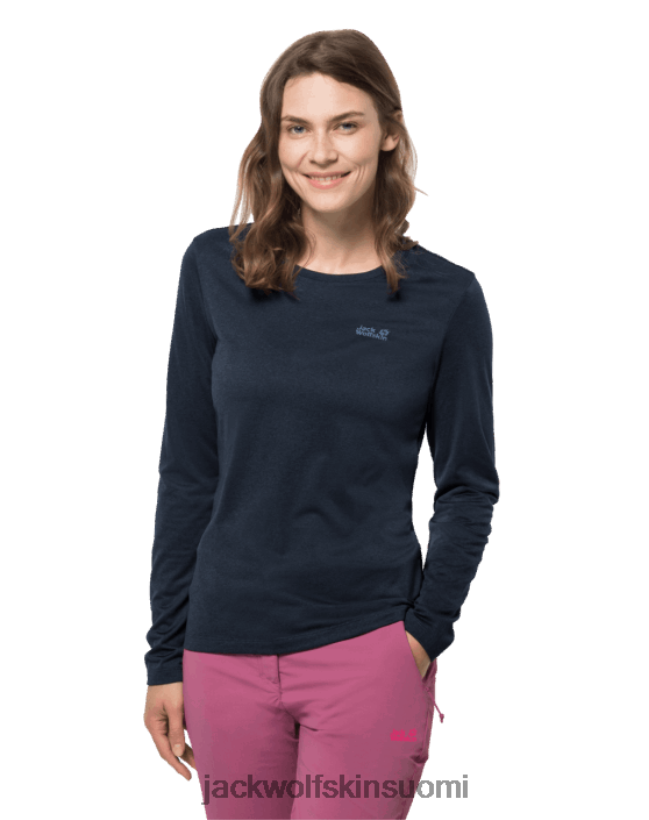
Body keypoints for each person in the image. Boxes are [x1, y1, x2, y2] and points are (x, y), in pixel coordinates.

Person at [143, 28, 499, 819]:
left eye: (346, 124)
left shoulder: (447, 298)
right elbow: (189, 473)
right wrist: (164, 655)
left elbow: (469, 484)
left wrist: (422, 636)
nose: (321, 152)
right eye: (297, 127)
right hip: (222, 650)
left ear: (389, 134)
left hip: (368, 648)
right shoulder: (212, 269)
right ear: (272, 142)